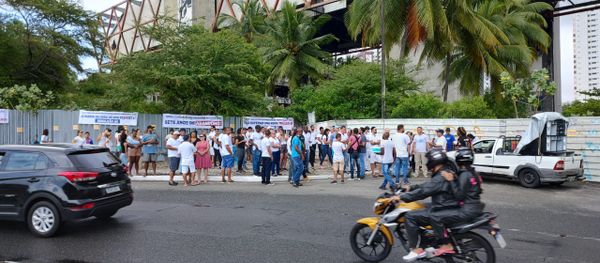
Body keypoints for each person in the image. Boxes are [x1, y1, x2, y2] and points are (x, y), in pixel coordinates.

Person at [392, 149, 459, 262]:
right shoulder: (444, 171)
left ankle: (416, 249)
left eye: (429, 160)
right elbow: (427, 186)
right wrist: (410, 188)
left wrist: (401, 197)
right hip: (445, 204)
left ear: (434, 161)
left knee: (410, 216)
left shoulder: (441, 176)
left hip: (443, 207)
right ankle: (428, 238)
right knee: (421, 207)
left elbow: (424, 192)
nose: (427, 162)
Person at [432, 147, 484, 256]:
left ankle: (445, 244)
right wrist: (456, 178)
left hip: (467, 210)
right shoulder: (472, 172)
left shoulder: (465, 174)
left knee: (436, 216)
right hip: (475, 206)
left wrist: (451, 180)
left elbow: (459, 195)